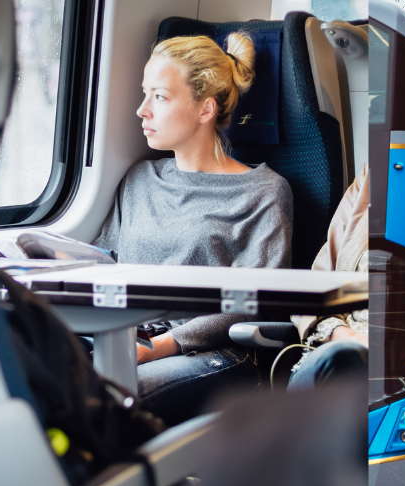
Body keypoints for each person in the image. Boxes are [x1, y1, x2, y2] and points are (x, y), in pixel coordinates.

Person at [97, 32, 293, 424]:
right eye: (144, 93)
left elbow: (257, 298)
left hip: (213, 350)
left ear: (205, 110)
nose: (141, 110)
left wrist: (160, 346)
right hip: (127, 335)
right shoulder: (140, 179)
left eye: (160, 97)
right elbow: (105, 259)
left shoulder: (264, 191)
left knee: (106, 402)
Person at [284, 164, 369, 389]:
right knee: (334, 362)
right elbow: (315, 287)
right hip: (341, 346)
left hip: (399, 356)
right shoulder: (371, 179)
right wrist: (343, 336)